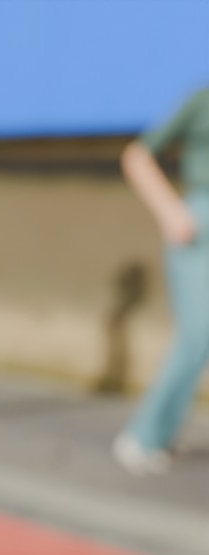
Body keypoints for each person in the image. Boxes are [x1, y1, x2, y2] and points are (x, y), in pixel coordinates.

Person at [114, 88, 209, 475]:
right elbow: (136, 157)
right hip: (199, 227)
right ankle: (143, 436)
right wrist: (170, 211)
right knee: (197, 335)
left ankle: (162, 435)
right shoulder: (203, 99)